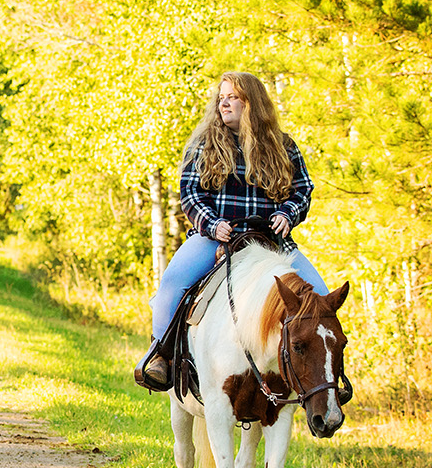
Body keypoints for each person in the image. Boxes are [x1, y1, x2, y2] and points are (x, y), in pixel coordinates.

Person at [135, 71, 329, 390]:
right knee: (172, 284)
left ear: (251, 103)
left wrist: (287, 214)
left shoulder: (284, 146)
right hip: (216, 237)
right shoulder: (203, 143)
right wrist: (213, 224)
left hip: (271, 242)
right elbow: (190, 194)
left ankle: (326, 379)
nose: (224, 104)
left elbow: (302, 190)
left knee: (320, 297)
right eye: (221, 98)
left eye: (233, 98)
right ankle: (160, 357)